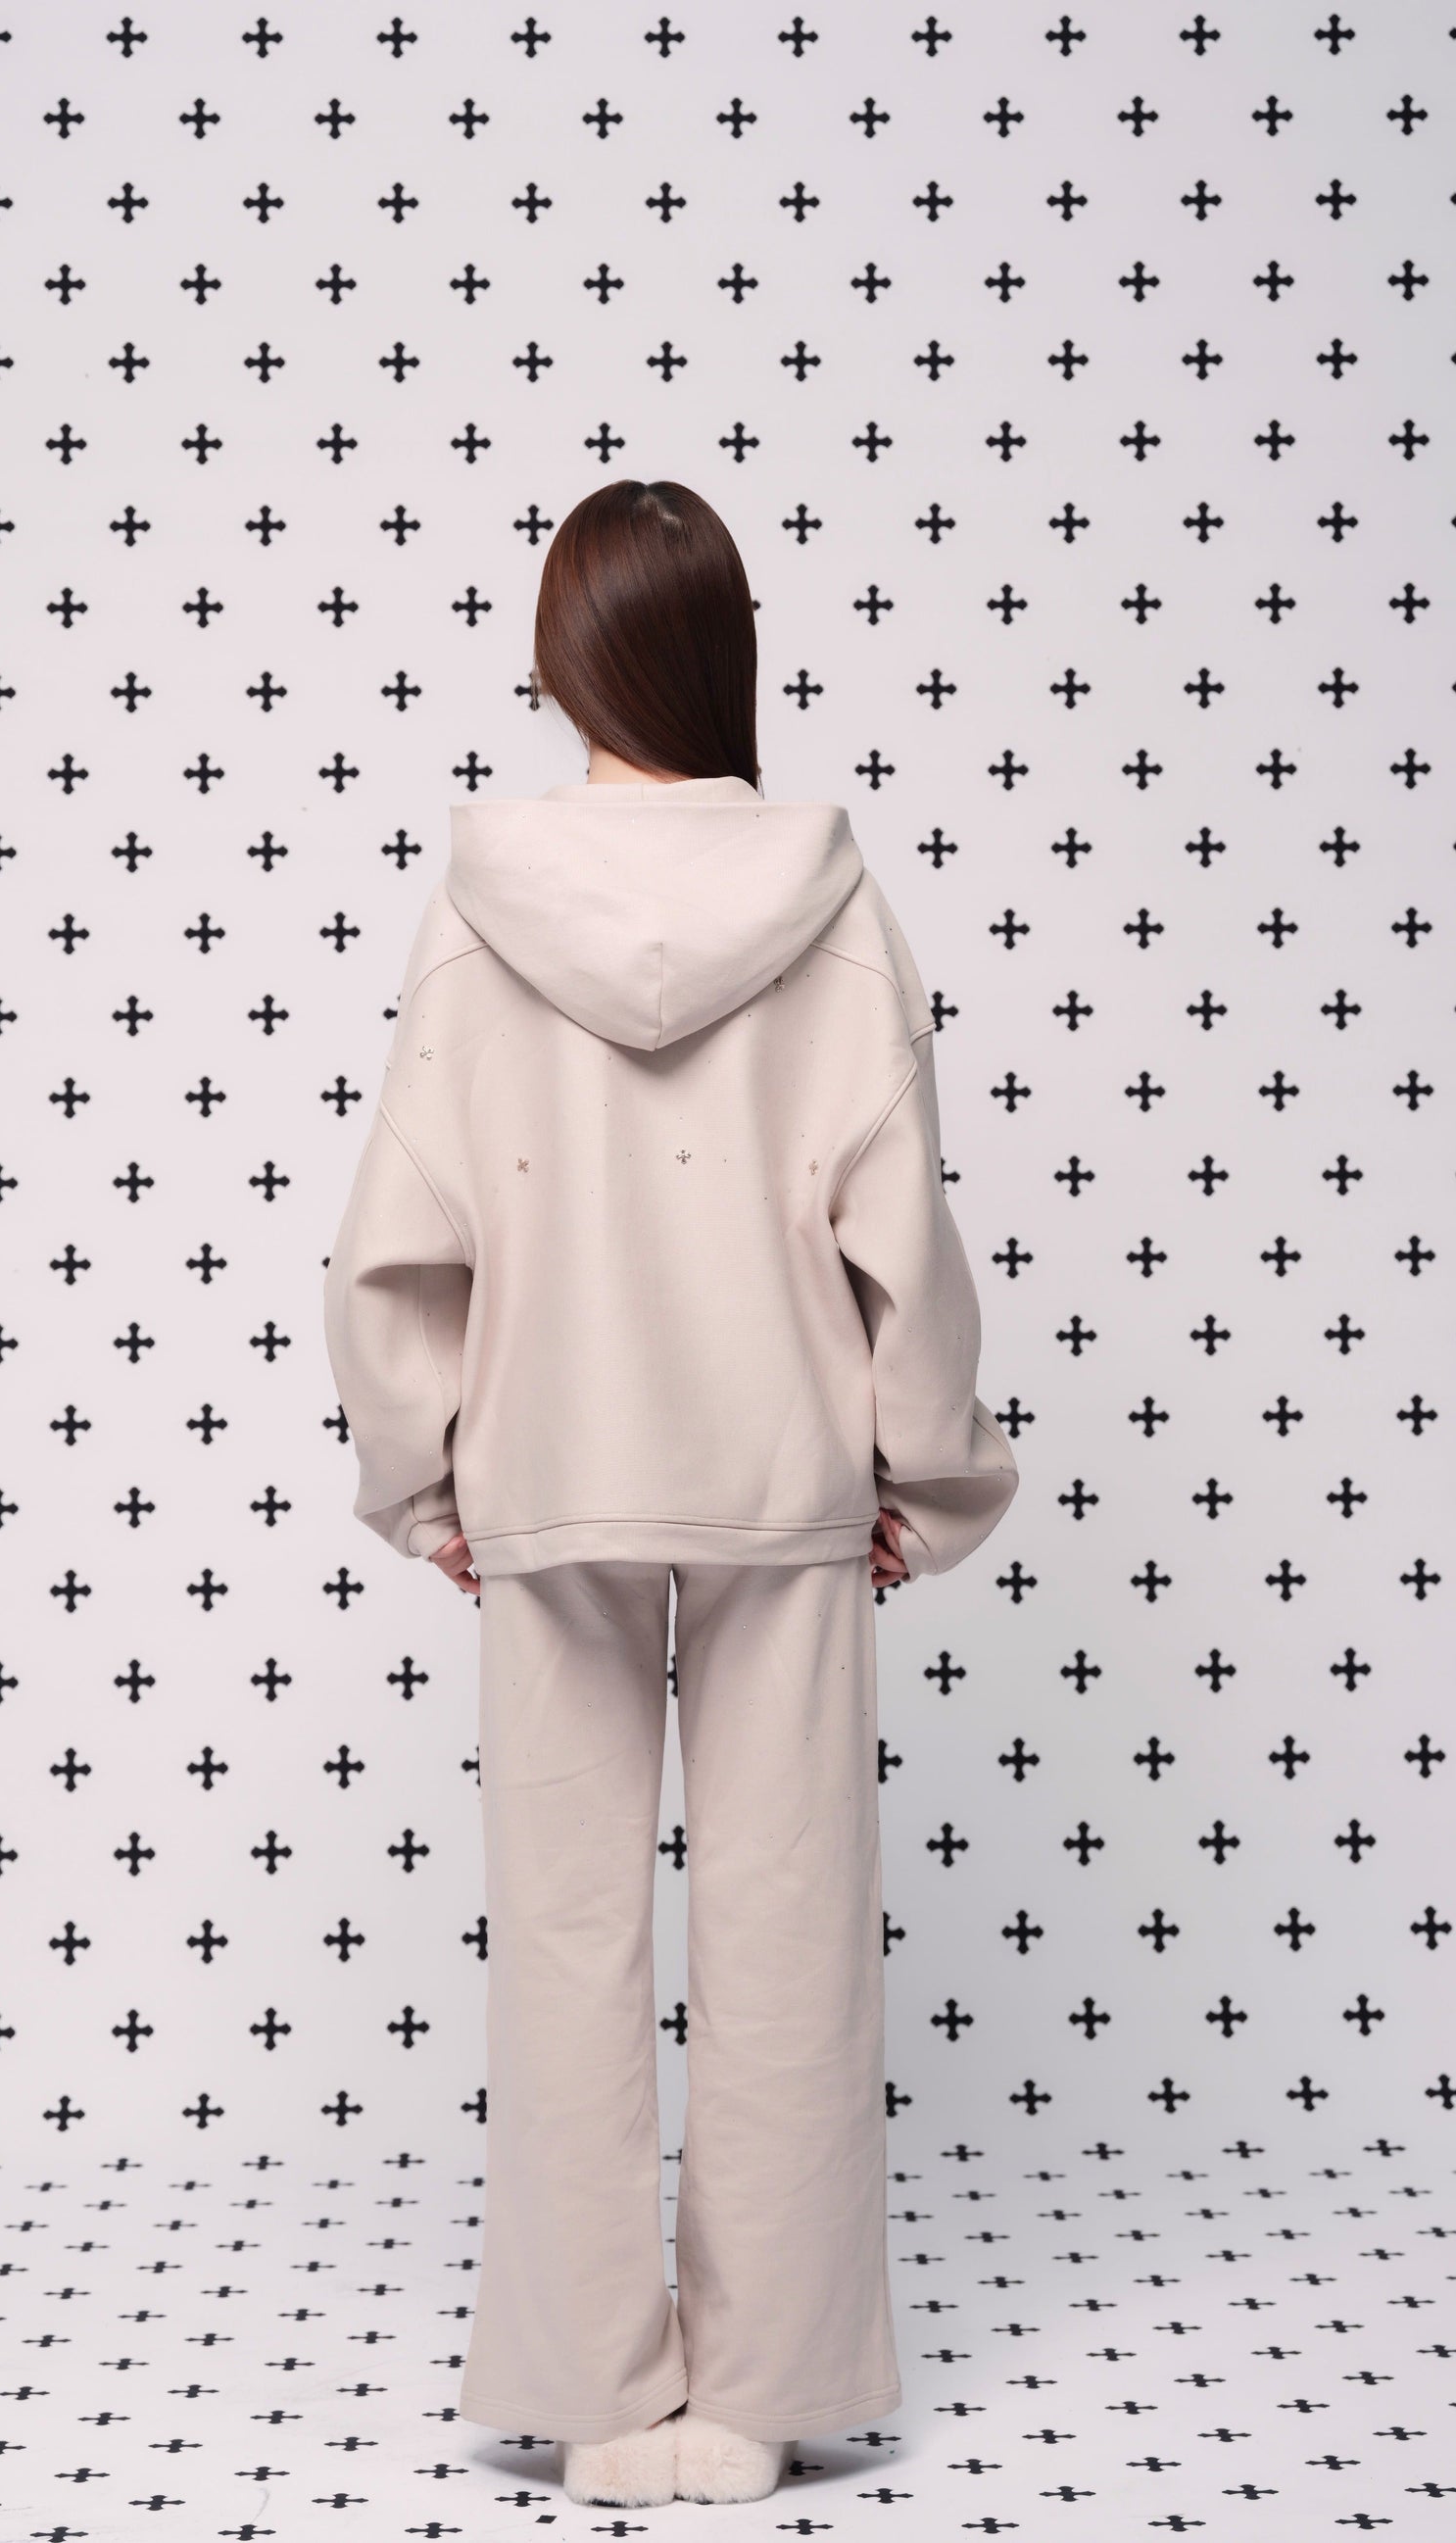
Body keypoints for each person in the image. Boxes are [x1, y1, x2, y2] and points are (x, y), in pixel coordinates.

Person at [322, 479, 1019, 2508]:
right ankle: (767, 2390)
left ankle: (589, 2389)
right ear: (726, 649)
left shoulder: (479, 901)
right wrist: (929, 1471)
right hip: (784, 1471)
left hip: (546, 1468)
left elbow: (397, 1230)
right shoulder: (831, 897)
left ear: (560, 661)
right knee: (791, 1924)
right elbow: (903, 1221)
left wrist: (421, 1471)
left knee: (562, 1934)